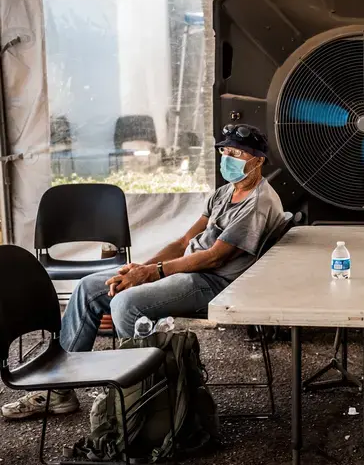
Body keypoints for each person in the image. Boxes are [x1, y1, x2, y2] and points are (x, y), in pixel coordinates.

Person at [1, 124, 286, 420]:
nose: (227, 157)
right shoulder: (226, 192)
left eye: (236, 153)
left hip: (216, 284)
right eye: (225, 151)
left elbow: (214, 258)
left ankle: (144, 403)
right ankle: (59, 393)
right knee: (88, 288)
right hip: (189, 273)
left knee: (127, 304)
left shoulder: (259, 203)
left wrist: (151, 274)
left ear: (258, 160)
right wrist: (139, 269)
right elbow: (184, 242)